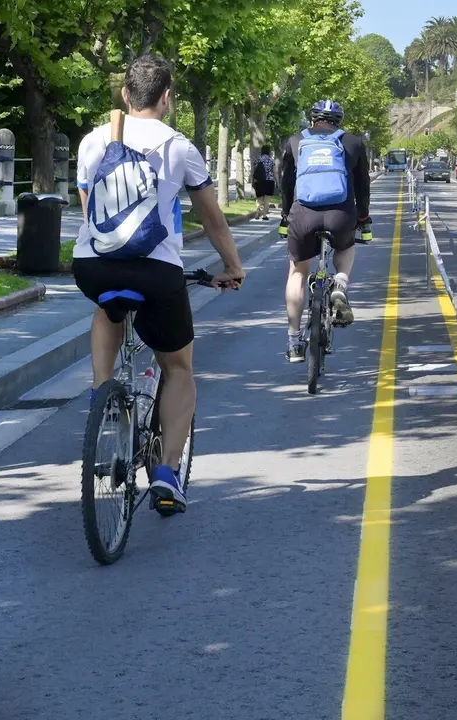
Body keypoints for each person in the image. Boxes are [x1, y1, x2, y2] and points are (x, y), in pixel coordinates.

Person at [72, 53, 245, 513]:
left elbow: (89, 207)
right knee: (180, 369)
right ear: (167, 98)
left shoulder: (93, 140)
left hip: (93, 267)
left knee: (108, 305)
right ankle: (167, 471)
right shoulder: (179, 147)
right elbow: (212, 219)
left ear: (125, 95)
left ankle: (102, 395)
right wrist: (231, 266)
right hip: (156, 272)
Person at [278, 99, 371, 363]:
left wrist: (286, 215)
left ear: (312, 119)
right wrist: (363, 217)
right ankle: (340, 282)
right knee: (345, 247)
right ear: (338, 121)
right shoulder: (352, 142)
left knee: (297, 272)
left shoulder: (295, 141)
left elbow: (285, 182)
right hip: (340, 214)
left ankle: (294, 342)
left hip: (303, 214)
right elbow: (363, 185)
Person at [252, 145, 276, 219]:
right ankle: (264, 215)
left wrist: (252, 179)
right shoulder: (271, 160)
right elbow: (275, 172)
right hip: (269, 181)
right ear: (269, 151)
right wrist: (277, 181)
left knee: (259, 198)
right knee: (266, 200)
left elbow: (253, 171)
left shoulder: (257, 159)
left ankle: (257, 211)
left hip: (259, 181)